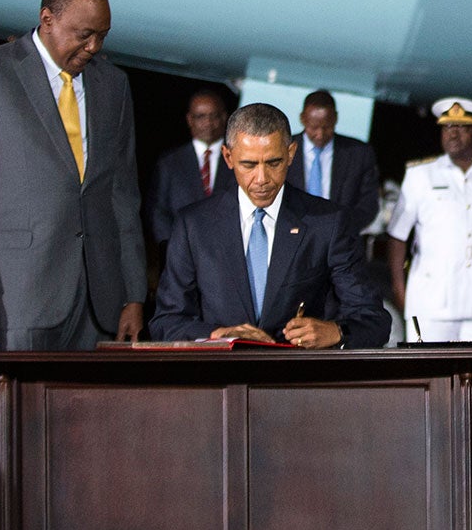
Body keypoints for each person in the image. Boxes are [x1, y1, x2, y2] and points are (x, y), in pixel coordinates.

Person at [0, 0, 146, 350]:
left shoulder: (114, 85)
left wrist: (133, 292)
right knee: (22, 410)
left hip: (100, 304)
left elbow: (123, 197)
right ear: (47, 19)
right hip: (17, 299)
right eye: (84, 34)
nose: (94, 47)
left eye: (102, 35)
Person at [150, 103, 389, 347]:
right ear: (228, 157)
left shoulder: (327, 223)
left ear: (291, 154)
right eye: (249, 165)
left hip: (296, 379)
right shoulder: (194, 226)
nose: (262, 179)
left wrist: (336, 332)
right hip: (222, 378)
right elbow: (166, 323)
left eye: (273, 163)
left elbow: (374, 320)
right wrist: (218, 335)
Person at [386, 98, 472, 342]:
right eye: (448, 127)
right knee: (430, 372)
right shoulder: (420, 175)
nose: (453, 135)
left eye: (462, 128)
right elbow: (397, 236)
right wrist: (398, 286)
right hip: (432, 299)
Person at [147, 87, 233, 251]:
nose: (208, 122)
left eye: (214, 116)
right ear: (189, 119)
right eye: (200, 116)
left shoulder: (238, 160)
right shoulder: (170, 162)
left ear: (224, 117)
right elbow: (158, 212)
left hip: (226, 255)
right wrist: (172, 248)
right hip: (179, 253)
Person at [290, 89, 382, 243]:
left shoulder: (359, 153)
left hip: (340, 242)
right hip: (291, 239)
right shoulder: (283, 150)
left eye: (327, 127)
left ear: (336, 119)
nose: (320, 134)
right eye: (314, 127)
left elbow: (369, 205)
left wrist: (340, 229)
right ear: (302, 119)